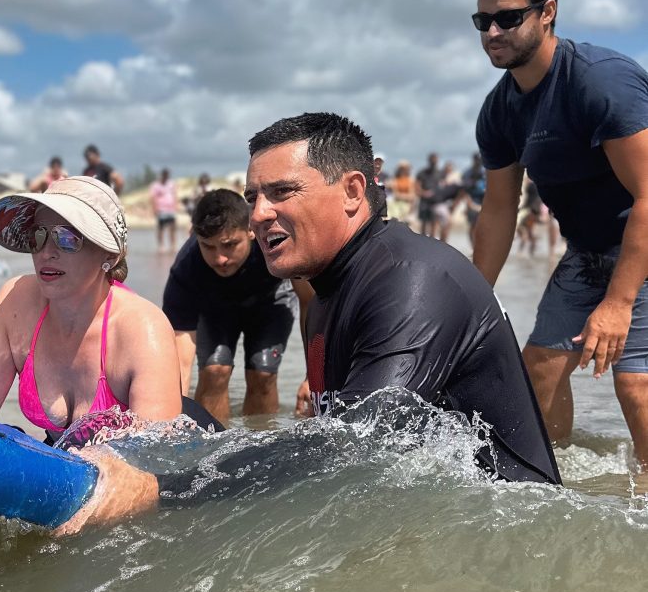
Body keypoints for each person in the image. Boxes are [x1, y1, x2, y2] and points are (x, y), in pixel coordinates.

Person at [55, 112, 560, 534]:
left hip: (509, 527)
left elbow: (357, 442)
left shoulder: (412, 278)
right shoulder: (326, 284)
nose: (258, 214)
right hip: (417, 510)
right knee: (186, 417)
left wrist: (159, 491)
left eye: (281, 192)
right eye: (254, 196)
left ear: (353, 191)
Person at [470, 0, 648, 463]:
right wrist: (475, 297)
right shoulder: (498, 110)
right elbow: (500, 210)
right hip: (586, 252)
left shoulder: (599, 81)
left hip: (641, 245)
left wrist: (617, 304)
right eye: (483, 20)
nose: (492, 33)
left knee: (635, 384)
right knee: (537, 374)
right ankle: (555, 485)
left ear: (547, 12)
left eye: (508, 18)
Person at [0, 176, 217, 447]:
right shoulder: (16, 301)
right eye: (39, 236)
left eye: (67, 238)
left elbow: (153, 461)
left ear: (109, 255)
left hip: (188, 454)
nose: (46, 252)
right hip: (74, 456)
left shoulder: (141, 328)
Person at [162, 189, 312, 424]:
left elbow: (310, 303)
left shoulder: (277, 245)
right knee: (215, 372)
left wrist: (312, 375)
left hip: (271, 304)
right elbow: (180, 356)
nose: (220, 258)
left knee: (262, 374)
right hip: (215, 308)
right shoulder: (186, 269)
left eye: (229, 245)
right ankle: (209, 448)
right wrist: (171, 414)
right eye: (208, 247)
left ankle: (262, 447)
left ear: (251, 230)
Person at [149, 167, 180, 253]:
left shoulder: (171, 183)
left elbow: (175, 195)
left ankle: (173, 245)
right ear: (162, 175)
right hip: (161, 209)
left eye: (167, 175)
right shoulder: (156, 185)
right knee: (161, 228)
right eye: (165, 175)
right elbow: (153, 197)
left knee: (173, 227)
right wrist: (154, 208)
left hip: (171, 209)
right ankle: (161, 246)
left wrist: (176, 205)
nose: (166, 176)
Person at [414, 152, 444, 238]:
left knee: (434, 223)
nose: (433, 163)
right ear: (429, 161)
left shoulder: (440, 173)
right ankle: (423, 241)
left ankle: (433, 242)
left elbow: (443, 186)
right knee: (424, 223)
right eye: (432, 161)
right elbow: (416, 188)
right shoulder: (422, 173)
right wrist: (424, 193)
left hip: (435, 201)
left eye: (435, 161)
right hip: (424, 201)